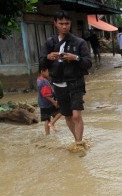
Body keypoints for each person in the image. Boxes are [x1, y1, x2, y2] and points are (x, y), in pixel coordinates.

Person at [41, 10, 92, 147]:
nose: (64, 26)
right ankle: (78, 141)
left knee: (76, 115)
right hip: (58, 84)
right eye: (61, 23)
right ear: (55, 24)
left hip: (75, 82)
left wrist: (75, 58)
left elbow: (88, 63)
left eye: (67, 23)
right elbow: (41, 63)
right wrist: (48, 57)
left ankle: (78, 142)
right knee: (68, 115)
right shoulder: (50, 43)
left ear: (70, 24)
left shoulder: (79, 43)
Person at [37, 62, 62, 135]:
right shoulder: (44, 82)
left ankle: (47, 135)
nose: (49, 73)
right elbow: (46, 95)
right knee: (62, 111)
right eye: (47, 71)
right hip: (48, 103)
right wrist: (54, 102)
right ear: (42, 71)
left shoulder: (39, 80)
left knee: (47, 119)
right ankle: (52, 123)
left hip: (42, 104)